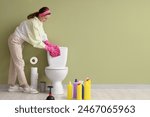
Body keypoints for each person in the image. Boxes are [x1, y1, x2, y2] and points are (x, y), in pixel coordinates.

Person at [8, 7, 60, 94]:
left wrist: (48, 43)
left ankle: (12, 86)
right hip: (15, 40)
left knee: (15, 62)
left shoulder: (39, 22)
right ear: (41, 15)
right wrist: (47, 48)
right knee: (19, 63)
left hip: (18, 41)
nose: (46, 20)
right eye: (45, 18)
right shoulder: (33, 22)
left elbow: (42, 34)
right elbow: (36, 40)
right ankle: (25, 86)